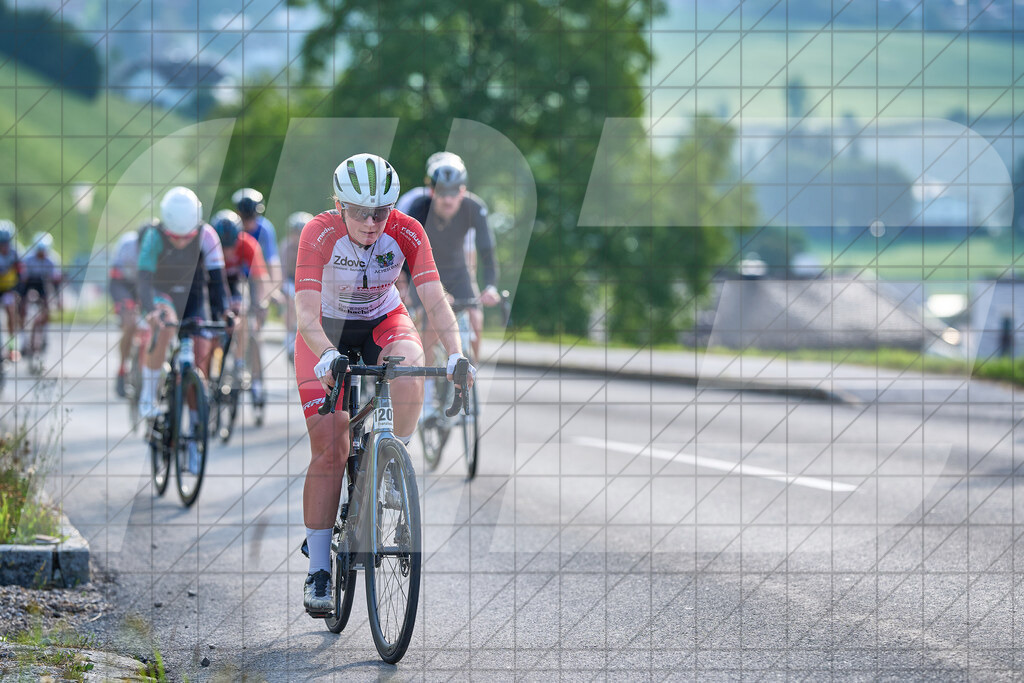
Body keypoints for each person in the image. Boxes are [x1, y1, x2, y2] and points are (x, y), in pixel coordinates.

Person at [294, 153, 473, 615]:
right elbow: (305, 314)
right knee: (331, 446)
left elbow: (434, 298)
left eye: (381, 211)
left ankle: (393, 458)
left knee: (411, 370)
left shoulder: (409, 230)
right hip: (326, 330)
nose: (371, 222)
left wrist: (455, 353)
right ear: (338, 204)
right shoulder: (319, 233)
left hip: (381, 320)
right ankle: (318, 568)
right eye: (358, 211)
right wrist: (328, 355)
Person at [137, 187, 229, 422]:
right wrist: (150, 310)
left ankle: (197, 422)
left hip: (194, 298)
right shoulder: (153, 235)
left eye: (186, 237)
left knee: (201, 353)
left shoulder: (207, 235)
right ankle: (147, 397)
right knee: (166, 325)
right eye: (173, 237)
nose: (179, 242)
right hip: (162, 295)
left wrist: (225, 313)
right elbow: (144, 280)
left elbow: (218, 282)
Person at [398, 152, 501, 363]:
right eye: (441, 193)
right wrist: (404, 285)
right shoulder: (417, 207)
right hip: (423, 272)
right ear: (432, 191)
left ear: (462, 191)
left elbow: (487, 252)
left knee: (475, 315)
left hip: (457, 271)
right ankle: (426, 386)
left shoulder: (475, 208)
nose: (447, 199)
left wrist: (490, 287)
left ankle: (471, 370)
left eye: (453, 193)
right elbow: (401, 251)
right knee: (430, 323)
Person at [212, 209, 269, 405]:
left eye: (231, 246)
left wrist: (260, 303)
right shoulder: (209, 245)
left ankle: (238, 361)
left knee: (242, 312)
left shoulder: (247, 244)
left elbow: (259, 279)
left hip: (236, 282)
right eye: (223, 246)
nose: (227, 252)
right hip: (213, 282)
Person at [109, 226, 143, 397]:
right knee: (129, 324)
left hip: (142, 284)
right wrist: (126, 305)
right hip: (122, 283)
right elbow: (114, 275)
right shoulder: (127, 244)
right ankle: (122, 370)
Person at [18, 232, 62, 359]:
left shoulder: (52, 260)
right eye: (39, 251)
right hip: (29, 283)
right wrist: (21, 299)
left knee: (47, 306)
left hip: (42, 283)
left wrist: (57, 299)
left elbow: (55, 283)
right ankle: (23, 340)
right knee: (23, 307)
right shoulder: (28, 259)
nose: (41, 254)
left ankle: (45, 335)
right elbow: (22, 281)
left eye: (43, 251)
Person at [279, 211, 313, 364]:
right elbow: (282, 273)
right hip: (290, 281)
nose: (298, 236)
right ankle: (289, 338)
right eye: (295, 232)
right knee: (292, 301)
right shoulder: (286, 247)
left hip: (309, 282)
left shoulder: (314, 247)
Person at [0, 221, 22, 360]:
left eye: (6, 242)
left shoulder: (16, 252)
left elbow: (21, 274)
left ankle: (12, 347)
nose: (4, 246)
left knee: (11, 311)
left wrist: (18, 292)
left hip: (8, 288)